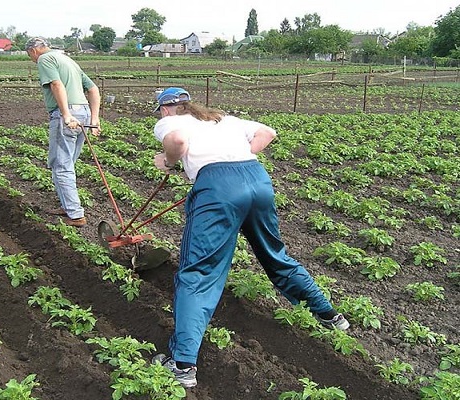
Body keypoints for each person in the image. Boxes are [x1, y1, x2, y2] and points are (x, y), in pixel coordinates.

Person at [150, 87, 350, 388]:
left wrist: (169, 162)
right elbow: (267, 133)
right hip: (256, 180)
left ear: (165, 109)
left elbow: (177, 141)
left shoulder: (171, 121)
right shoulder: (221, 119)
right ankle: (331, 317)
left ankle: (181, 365)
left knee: (198, 272)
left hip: (218, 189)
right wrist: (235, 160)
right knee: (275, 255)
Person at [25, 37, 101, 227]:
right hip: (83, 112)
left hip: (67, 113)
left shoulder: (44, 59)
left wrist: (66, 114)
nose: (32, 60)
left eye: (29, 56)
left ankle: (76, 215)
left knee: (61, 165)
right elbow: (92, 89)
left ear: (33, 51)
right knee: (68, 163)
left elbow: (56, 85)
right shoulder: (67, 60)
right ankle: (68, 205)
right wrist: (94, 118)